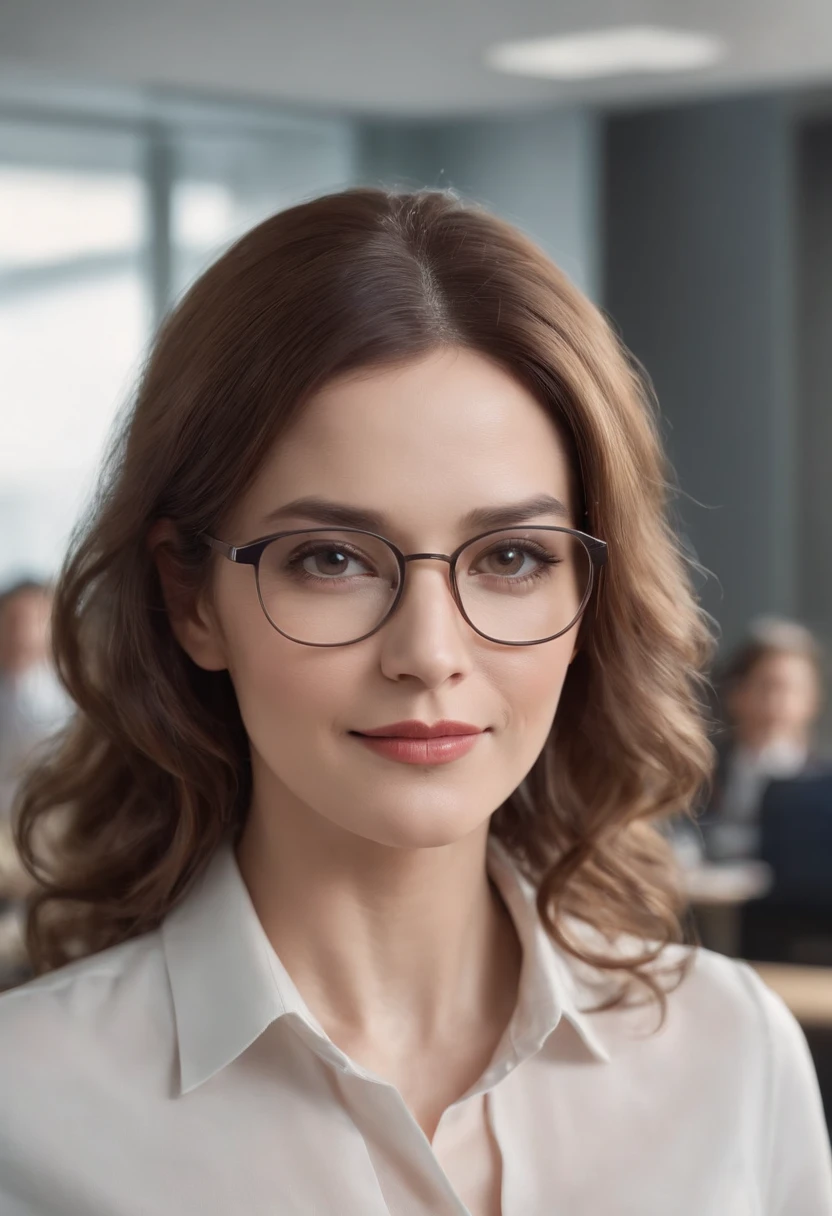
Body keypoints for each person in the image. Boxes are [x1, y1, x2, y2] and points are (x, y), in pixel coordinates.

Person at [0, 189, 829, 1215]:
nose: (428, 653)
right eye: (332, 558)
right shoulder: (25, 1110)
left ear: (589, 595)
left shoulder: (730, 1055)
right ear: (189, 597)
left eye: (513, 557)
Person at [700, 617, 830, 862]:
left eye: (792, 689)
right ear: (737, 693)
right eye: (767, 687)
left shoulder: (823, 785)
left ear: (813, 700)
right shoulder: (700, 772)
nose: (778, 703)